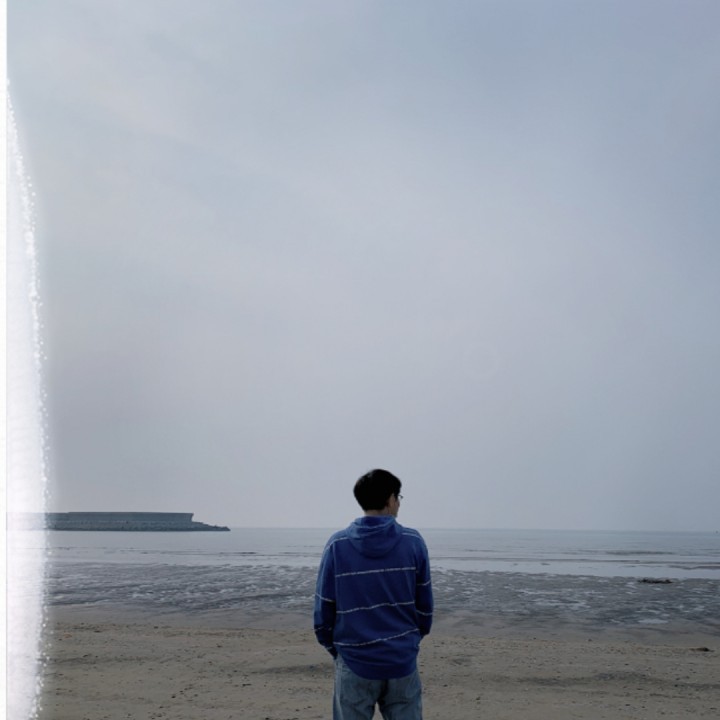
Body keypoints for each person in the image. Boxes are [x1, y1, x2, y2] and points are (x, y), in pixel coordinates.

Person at [314, 469, 433, 720]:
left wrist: (338, 650)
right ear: (390, 499)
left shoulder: (337, 545)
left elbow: (324, 609)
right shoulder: (413, 542)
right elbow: (425, 607)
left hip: (354, 659)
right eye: (398, 497)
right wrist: (409, 641)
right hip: (400, 659)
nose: (399, 503)